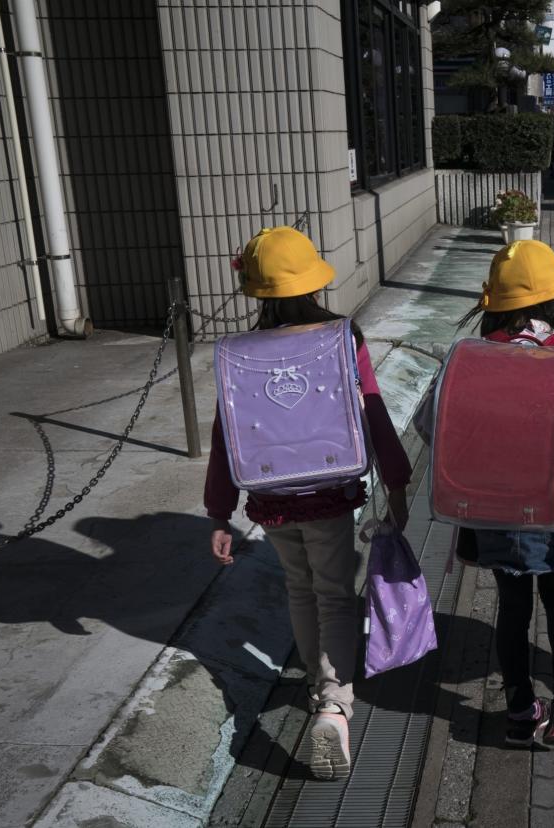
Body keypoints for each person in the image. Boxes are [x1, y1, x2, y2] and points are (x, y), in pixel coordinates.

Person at [204, 226, 413, 780]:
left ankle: (317, 680)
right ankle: (334, 703)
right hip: (327, 491)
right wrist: (397, 481)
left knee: (301, 589)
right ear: (312, 278)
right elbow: (373, 412)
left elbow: (228, 432)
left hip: (271, 497)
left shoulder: (239, 353)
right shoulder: (342, 337)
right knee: (336, 596)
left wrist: (219, 510)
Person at [438, 240, 554, 748]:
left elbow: (434, 427)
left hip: (492, 509)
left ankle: (519, 709)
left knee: (512, 604)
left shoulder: (470, 358)